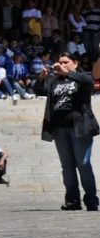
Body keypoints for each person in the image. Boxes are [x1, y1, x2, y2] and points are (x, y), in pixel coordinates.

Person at [32, 52, 99, 212]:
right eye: (60, 62)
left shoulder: (83, 77)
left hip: (80, 129)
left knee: (83, 164)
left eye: (66, 62)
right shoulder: (54, 81)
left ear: (75, 63)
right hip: (60, 129)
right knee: (67, 167)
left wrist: (68, 73)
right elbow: (39, 91)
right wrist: (41, 78)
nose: (62, 65)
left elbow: (91, 82)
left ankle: (91, 200)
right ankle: (72, 200)